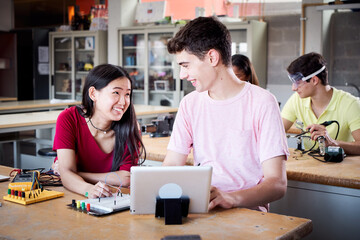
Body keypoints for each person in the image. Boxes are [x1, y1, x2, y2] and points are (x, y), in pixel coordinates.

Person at [163, 16, 289, 212]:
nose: (182, 75)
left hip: (247, 213)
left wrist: (231, 198)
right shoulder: (189, 104)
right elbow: (171, 164)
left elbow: (277, 184)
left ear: (212, 57)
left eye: (186, 65)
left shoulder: (263, 102)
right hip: (201, 209)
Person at [52, 64, 145, 198]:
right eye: (116, 93)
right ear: (93, 94)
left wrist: (75, 173)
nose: (123, 102)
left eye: (127, 94)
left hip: (108, 197)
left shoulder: (130, 127)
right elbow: (66, 175)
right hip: (70, 193)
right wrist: (88, 189)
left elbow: (125, 179)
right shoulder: (69, 118)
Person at [281, 52, 360, 155]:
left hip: (342, 168)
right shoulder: (296, 100)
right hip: (310, 167)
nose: (293, 88)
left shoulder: (351, 104)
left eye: (297, 82)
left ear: (314, 80)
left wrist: (333, 143)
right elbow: (276, 132)